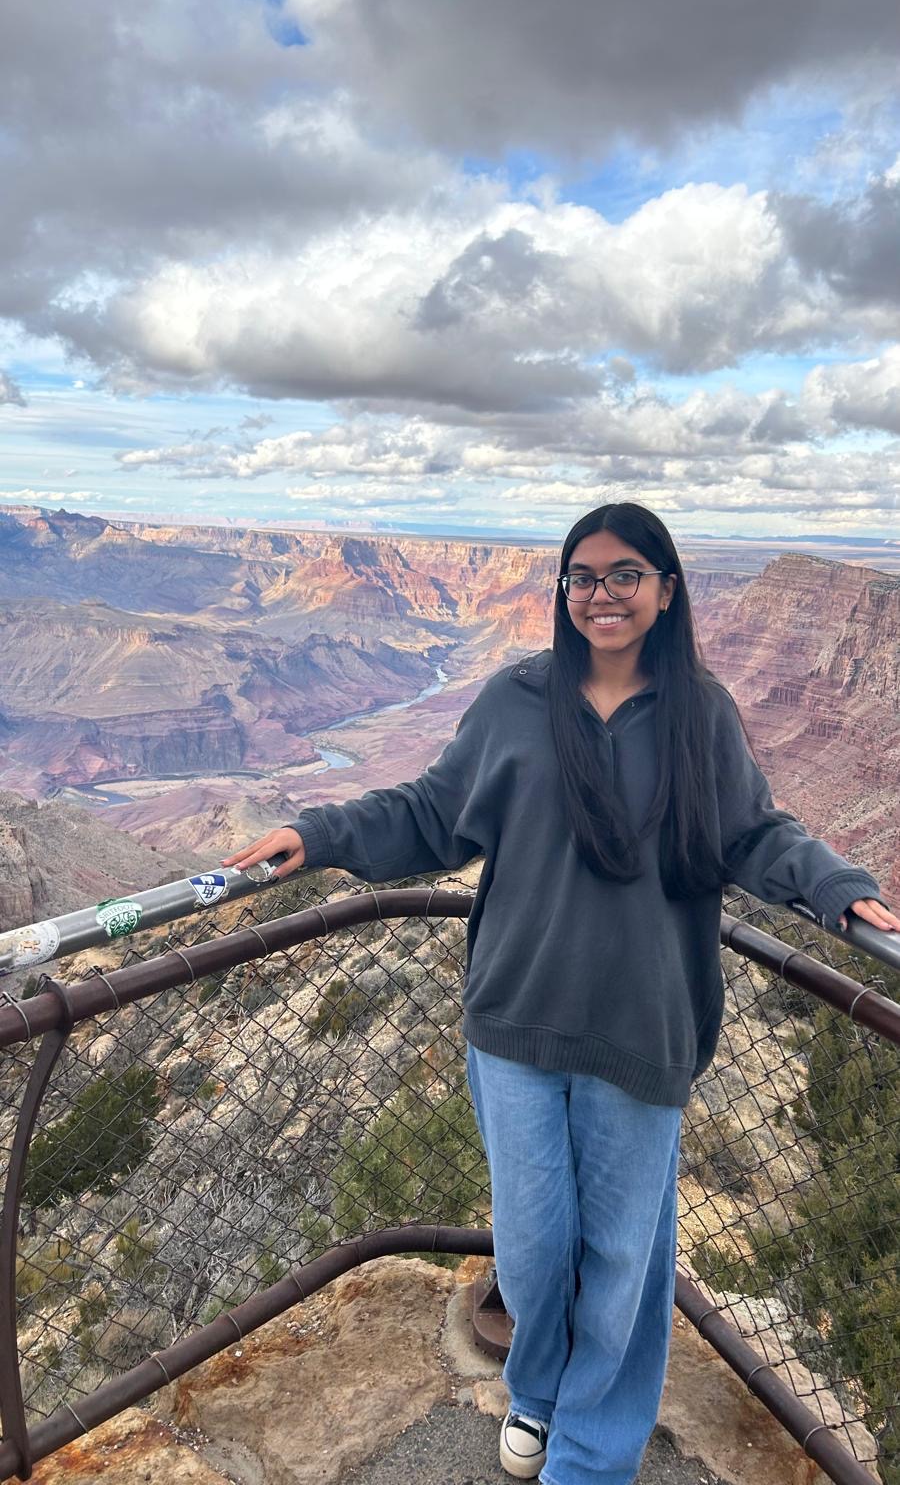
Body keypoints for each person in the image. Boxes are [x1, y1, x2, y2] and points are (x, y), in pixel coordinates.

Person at [223, 502, 899, 1485]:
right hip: (515, 1025)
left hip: (641, 1025)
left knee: (622, 1261)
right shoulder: (515, 700)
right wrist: (318, 834)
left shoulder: (701, 715)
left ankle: (590, 1453)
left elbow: (754, 834)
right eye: (582, 576)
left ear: (666, 589)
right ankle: (538, 1391)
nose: (602, 593)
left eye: (626, 573)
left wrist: (841, 888)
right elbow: (431, 811)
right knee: (538, 1253)